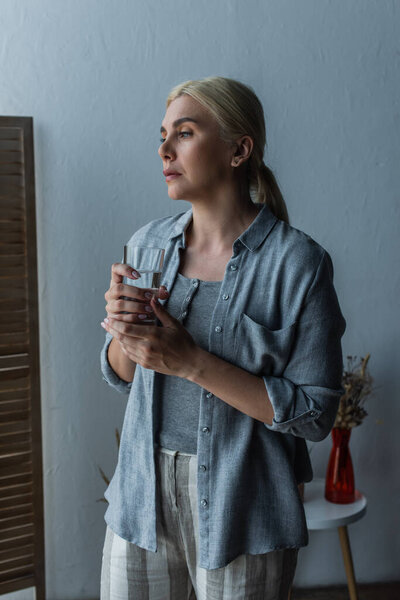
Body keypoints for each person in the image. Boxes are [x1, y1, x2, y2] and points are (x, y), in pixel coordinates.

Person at [99, 76, 346, 599]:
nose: (164, 149)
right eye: (163, 135)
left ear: (238, 149)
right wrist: (124, 333)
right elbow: (123, 374)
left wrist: (192, 362)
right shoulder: (147, 245)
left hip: (245, 507)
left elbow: (316, 414)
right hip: (140, 499)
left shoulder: (298, 264)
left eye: (184, 133)